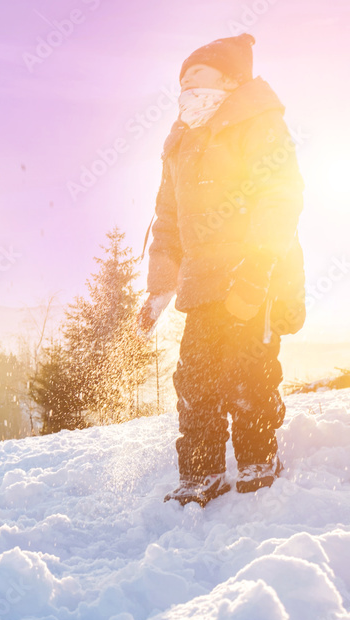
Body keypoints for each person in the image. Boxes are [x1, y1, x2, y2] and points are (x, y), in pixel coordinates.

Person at [139, 34, 305, 507]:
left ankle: (257, 462)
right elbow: (168, 223)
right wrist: (159, 289)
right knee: (196, 382)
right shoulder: (180, 143)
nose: (186, 89)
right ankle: (200, 474)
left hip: (257, 275)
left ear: (231, 81)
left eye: (197, 77)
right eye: (182, 83)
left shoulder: (258, 123)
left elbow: (280, 196)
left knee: (250, 374)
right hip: (202, 284)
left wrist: (256, 271)